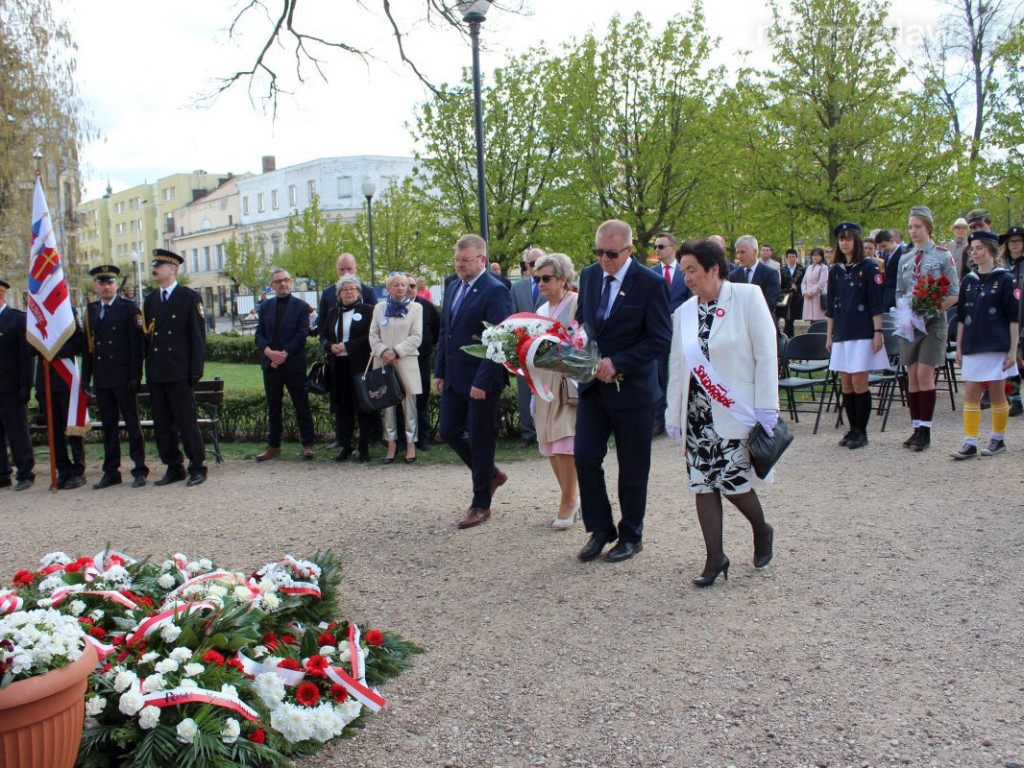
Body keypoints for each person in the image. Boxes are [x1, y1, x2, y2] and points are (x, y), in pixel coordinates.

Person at [665, 239, 778, 586]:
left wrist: (767, 406)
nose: (687, 278)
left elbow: (766, 354)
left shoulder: (747, 297)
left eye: (692, 270)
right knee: (702, 485)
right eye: (684, 271)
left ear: (714, 269)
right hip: (697, 415)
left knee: (733, 483)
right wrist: (672, 412)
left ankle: (761, 528)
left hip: (736, 409)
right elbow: (677, 366)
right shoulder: (684, 313)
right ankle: (715, 558)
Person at [574, 219, 671, 563]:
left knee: (632, 466)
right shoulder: (589, 276)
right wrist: (573, 346)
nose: (604, 259)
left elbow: (660, 339)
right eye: (598, 251)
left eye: (612, 253)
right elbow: (584, 321)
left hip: (633, 391)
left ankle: (631, 534)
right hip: (593, 388)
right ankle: (600, 528)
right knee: (584, 456)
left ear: (629, 250)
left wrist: (619, 362)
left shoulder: (650, 284)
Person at [434, 234, 514, 529]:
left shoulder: (495, 290)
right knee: (449, 430)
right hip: (455, 377)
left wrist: (482, 381)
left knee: (481, 441)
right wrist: (440, 371)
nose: (459, 265)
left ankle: (481, 504)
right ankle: (490, 474)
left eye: (465, 261)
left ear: (482, 260)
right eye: (456, 260)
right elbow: (446, 332)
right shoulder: (453, 285)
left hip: (482, 380)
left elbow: (499, 339)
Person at [895, 206, 960, 451]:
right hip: (910, 324)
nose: (913, 231)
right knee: (912, 376)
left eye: (918, 226)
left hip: (933, 323)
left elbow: (954, 292)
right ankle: (916, 427)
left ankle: (926, 430)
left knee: (924, 375)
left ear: (928, 228)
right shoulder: (905, 258)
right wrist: (905, 312)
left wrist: (929, 310)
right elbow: (899, 290)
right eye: (910, 227)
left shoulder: (942, 255)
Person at [950, 230, 1019, 458]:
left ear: (990, 250)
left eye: (979, 248)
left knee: (997, 392)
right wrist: (959, 346)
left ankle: (998, 439)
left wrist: (1012, 350)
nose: (975, 253)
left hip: (996, 344)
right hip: (972, 343)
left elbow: (1013, 318)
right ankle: (970, 442)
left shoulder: (1005, 279)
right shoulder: (968, 280)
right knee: (971, 392)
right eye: (972, 249)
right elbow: (962, 317)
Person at [143, 248, 208, 487]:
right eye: (154, 266)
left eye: (158, 266)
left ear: (172, 269)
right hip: (158, 372)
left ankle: (197, 466)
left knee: (186, 422)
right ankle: (173, 467)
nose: (154, 269)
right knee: (162, 425)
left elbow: (198, 337)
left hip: (179, 371)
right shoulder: (150, 300)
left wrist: (195, 370)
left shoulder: (189, 297)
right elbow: (147, 340)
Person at [82, 265, 148, 488]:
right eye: (101, 283)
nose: (106, 287)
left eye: (110, 283)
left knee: (132, 424)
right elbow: (89, 348)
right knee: (108, 426)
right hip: (102, 377)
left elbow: (136, 346)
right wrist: (86, 378)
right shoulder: (91, 310)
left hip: (123, 377)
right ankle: (111, 471)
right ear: (96, 287)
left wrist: (136, 376)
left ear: (116, 284)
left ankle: (139, 469)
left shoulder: (129, 308)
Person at [825, 223, 888, 449]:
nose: (844, 243)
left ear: (856, 241)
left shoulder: (869, 266)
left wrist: (878, 332)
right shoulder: (835, 270)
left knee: (859, 380)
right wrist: (829, 335)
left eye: (848, 239)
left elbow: (875, 302)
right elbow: (831, 306)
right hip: (842, 332)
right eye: (841, 239)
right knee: (846, 382)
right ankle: (852, 428)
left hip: (862, 332)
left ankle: (862, 431)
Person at [531, 253, 581, 528]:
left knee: (565, 442)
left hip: (567, 381)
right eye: (537, 278)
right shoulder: (539, 310)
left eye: (546, 278)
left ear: (562, 279)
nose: (540, 283)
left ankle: (569, 501)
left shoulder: (575, 303)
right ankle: (570, 496)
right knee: (550, 444)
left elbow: (584, 341)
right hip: (544, 383)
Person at [254, 268, 317, 462]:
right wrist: (269, 352)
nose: (283, 284)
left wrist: (283, 354)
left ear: (291, 283)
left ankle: (308, 444)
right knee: (273, 407)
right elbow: (259, 334)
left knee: (301, 405)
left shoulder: (301, 307)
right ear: (272, 286)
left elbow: (301, 334)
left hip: (293, 364)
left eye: (286, 280)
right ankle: (274, 445)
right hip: (270, 365)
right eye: (278, 281)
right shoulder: (265, 307)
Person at [370, 272, 423, 464]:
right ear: (388, 288)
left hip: (406, 361)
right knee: (388, 405)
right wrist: (383, 351)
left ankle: (411, 443)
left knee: (409, 405)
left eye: (403, 285)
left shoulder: (416, 308)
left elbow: (416, 336)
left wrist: (397, 352)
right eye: (396, 285)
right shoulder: (379, 308)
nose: (400, 288)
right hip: (383, 361)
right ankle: (391, 443)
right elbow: (373, 334)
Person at [320, 275, 374, 462]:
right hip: (338, 366)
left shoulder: (368, 310)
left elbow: (371, 337)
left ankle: (364, 447)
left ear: (359, 292)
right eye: (345, 289)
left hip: (359, 365)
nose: (349, 292)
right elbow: (323, 336)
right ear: (339, 293)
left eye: (353, 288)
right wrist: (330, 346)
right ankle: (346, 446)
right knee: (343, 408)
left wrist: (348, 346)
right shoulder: (333, 312)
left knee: (362, 406)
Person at [34, 307, 87, 490]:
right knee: (54, 430)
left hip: (66, 379)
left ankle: (78, 470)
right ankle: (62, 470)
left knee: (73, 426)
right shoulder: (35, 310)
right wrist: (42, 348)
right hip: (45, 379)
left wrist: (55, 351)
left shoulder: (67, 309)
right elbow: (29, 345)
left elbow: (79, 343)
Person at [0, 277, 34, 491]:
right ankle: (3, 474)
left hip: (11, 387)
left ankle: (25, 472)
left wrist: (25, 386)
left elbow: (26, 357)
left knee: (17, 431)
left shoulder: (17, 319)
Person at [510, 248, 544, 448]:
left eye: (539, 262)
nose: (535, 267)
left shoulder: (554, 284)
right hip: (524, 349)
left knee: (546, 389)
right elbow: (512, 317)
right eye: (531, 264)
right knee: (524, 392)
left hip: (547, 348)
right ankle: (527, 432)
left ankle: (544, 431)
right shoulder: (517, 288)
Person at [407, 276, 440, 449]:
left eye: (412, 286)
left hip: (421, 359)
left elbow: (436, 330)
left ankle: (423, 438)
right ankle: (403, 439)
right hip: (399, 361)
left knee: (422, 398)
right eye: (404, 285)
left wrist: (426, 346)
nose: (409, 289)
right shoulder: (390, 308)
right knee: (401, 400)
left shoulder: (427, 307)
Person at [729, 235, 781, 323]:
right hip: (740, 324)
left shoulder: (770, 274)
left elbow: (770, 303)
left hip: (763, 323)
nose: (739, 256)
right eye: (738, 252)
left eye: (743, 252)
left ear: (755, 252)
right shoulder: (733, 276)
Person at [778, 247, 805, 336]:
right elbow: (780, 284)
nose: (791, 259)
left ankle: (789, 336)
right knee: (788, 319)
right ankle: (788, 337)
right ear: (786, 258)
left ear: (797, 258)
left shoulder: (802, 269)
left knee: (794, 317)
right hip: (786, 297)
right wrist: (789, 288)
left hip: (798, 297)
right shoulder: (782, 270)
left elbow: (805, 282)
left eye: (793, 257)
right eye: (789, 257)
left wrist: (797, 287)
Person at [876, 229, 903, 312]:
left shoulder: (902, 255)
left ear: (892, 241)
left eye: (884, 246)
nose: (883, 249)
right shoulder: (887, 255)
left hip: (896, 298)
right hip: (887, 296)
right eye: (881, 247)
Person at [801, 247, 829, 322]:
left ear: (821, 257)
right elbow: (804, 282)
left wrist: (810, 292)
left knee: (819, 320)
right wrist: (804, 292)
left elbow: (822, 283)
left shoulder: (824, 268)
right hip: (808, 297)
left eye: (817, 255)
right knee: (811, 320)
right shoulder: (809, 267)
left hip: (818, 296)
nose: (814, 257)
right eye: (813, 255)